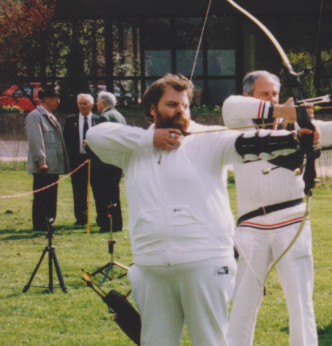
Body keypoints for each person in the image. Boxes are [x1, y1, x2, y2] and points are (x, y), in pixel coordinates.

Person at [87, 74, 315, 346]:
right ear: (152, 109)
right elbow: (94, 135)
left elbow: (248, 143)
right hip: (150, 265)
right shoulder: (133, 148)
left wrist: (294, 138)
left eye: (185, 105)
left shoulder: (208, 139)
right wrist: (151, 140)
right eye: (172, 104)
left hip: (205, 262)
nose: (180, 110)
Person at [225, 71, 332, 346]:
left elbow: (331, 129)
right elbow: (229, 105)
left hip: (291, 222)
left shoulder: (296, 125)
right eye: (264, 94)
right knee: (243, 303)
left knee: (300, 303)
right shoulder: (237, 123)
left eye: (275, 94)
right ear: (250, 97)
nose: (272, 99)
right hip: (251, 226)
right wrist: (282, 110)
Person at [26, 84, 68, 231]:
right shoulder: (35, 116)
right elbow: (36, 140)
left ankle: (49, 223)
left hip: (53, 165)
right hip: (43, 166)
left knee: (51, 197)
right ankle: (40, 225)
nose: (58, 102)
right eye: (56, 98)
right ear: (48, 99)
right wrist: (41, 161)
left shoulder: (50, 117)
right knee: (42, 198)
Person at [92, 91, 127, 231]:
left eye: (97, 101)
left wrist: (87, 144)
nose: (96, 104)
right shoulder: (119, 116)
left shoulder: (104, 117)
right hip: (116, 164)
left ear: (104, 103)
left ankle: (107, 225)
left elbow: (102, 141)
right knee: (113, 195)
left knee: (103, 196)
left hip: (103, 165)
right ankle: (116, 224)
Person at [63, 94, 97, 226]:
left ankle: (101, 217)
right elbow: (66, 141)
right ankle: (82, 218)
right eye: (80, 103)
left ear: (92, 105)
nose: (82, 106)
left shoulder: (99, 120)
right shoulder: (70, 121)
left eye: (85, 103)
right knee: (79, 191)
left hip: (95, 161)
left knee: (97, 189)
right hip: (77, 160)